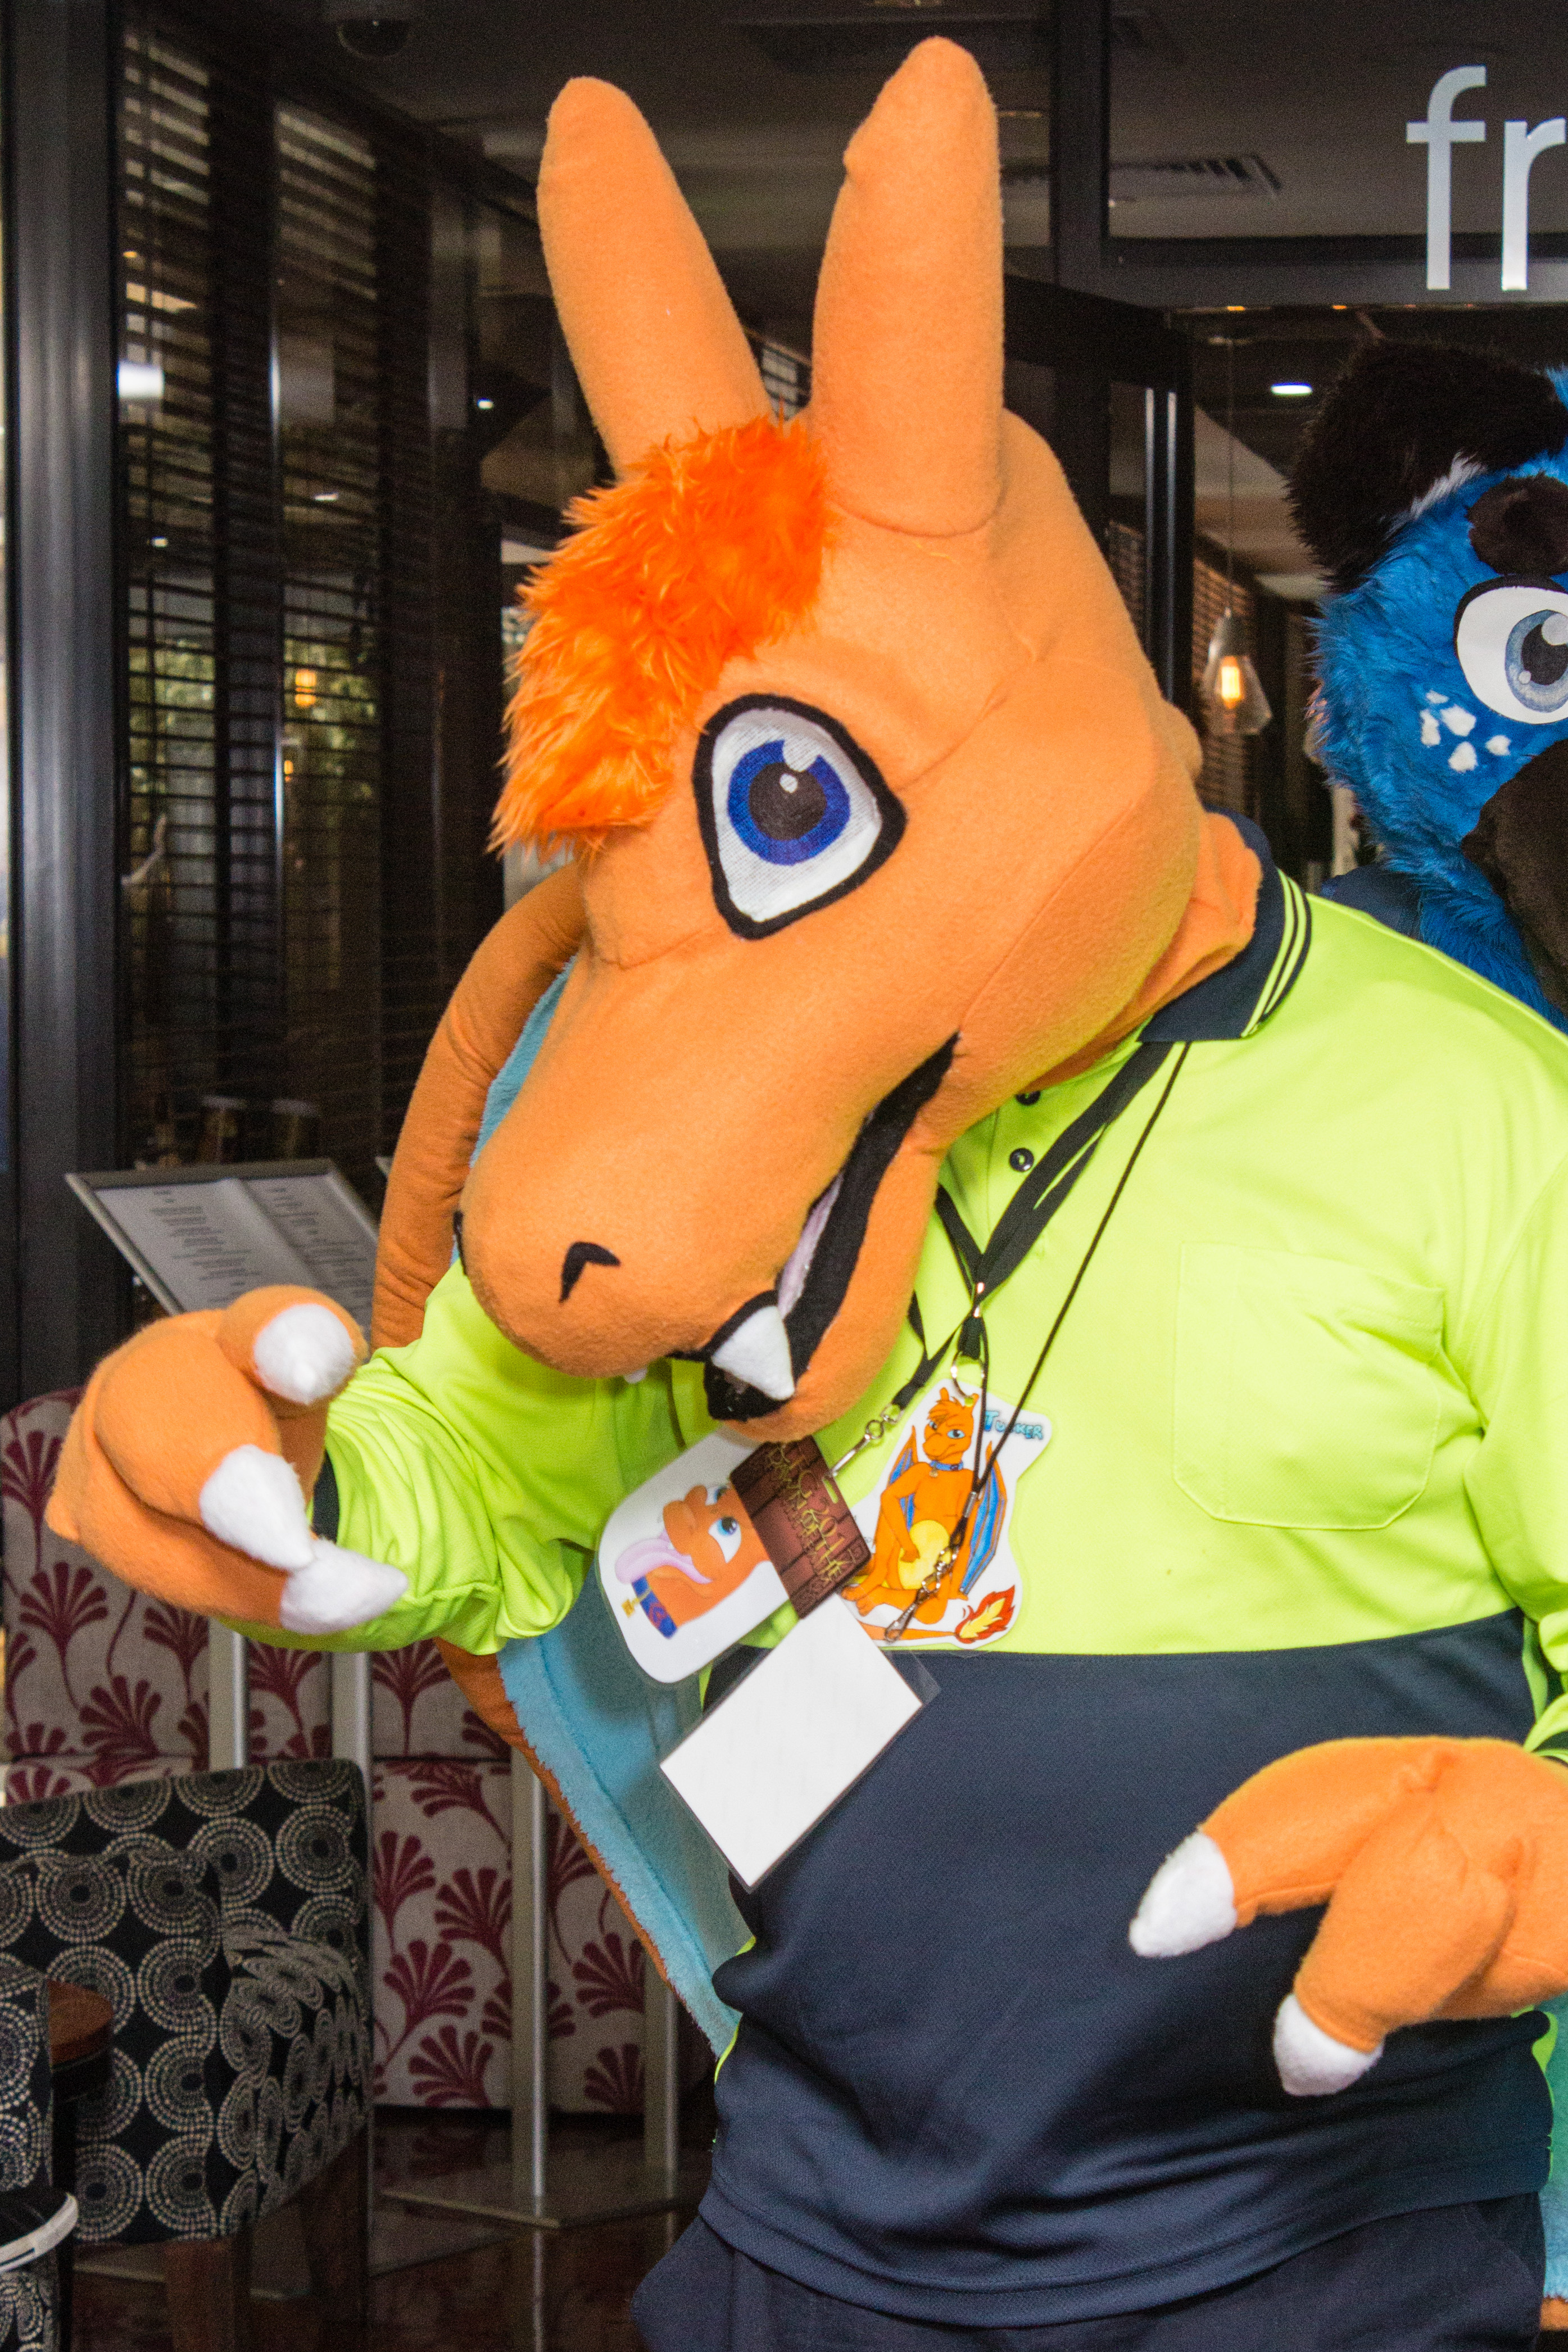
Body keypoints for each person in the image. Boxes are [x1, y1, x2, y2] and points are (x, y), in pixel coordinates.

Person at [45, 42, 1568, 2350]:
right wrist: (305, 1474)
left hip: (1319, 2262)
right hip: (800, 2234)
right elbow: (503, 1467)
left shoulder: (1473, 1101)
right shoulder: (702, 1098)